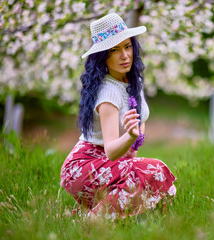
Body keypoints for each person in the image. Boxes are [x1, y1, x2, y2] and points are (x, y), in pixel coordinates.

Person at [60, 13, 177, 219]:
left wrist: (134, 143)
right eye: (114, 50)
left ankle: (83, 214)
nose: (124, 55)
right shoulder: (109, 93)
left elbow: (142, 117)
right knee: (155, 170)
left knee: (165, 187)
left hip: (107, 163)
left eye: (127, 46)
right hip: (83, 167)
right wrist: (130, 137)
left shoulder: (132, 80)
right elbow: (112, 151)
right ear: (103, 56)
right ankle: (92, 221)